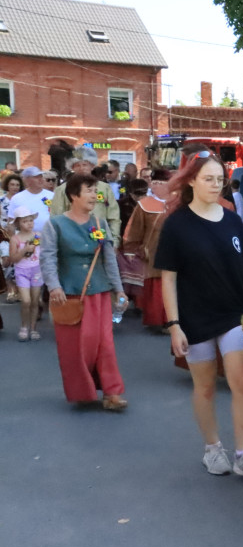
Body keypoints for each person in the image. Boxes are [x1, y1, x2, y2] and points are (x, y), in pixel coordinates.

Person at [155, 150, 243, 484]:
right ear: (191, 181)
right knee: (205, 387)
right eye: (208, 179)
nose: (215, 185)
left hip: (234, 315)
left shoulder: (233, 219)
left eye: (220, 180)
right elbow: (169, 278)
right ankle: (212, 448)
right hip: (194, 318)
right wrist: (174, 325)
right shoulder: (176, 225)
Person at [39, 173, 128, 410]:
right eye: (89, 190)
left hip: (99, 293)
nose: (94, 196)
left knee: (105, 344)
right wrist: (54, 286)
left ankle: (112, 393)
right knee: (76, 347)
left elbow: (109, 260)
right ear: (73, 195)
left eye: (95, 191)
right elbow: (47, 257)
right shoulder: (55, 224)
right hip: (69, 295)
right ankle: (82, 391)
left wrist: (119, 290)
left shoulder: (100, 224)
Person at [124, 170, 171, 329]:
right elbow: (135, 229)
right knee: (156, 286)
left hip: (175, 253)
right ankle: (158, 320)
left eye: (161, 183)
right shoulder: (144, 204)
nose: (157, 186)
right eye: (155, 182)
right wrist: (131, 248)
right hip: (151, 252)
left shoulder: (179, 203)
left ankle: (172, 320)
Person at [50, 158, 120, 247]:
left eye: (85, 165)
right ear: (72, 168)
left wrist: (114, 241)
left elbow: (114, 217)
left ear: (92, 166)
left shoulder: (104, 188)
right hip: (73, 242)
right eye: (77, 165)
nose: (81, 168)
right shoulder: (62, 190)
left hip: (101, 240)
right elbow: (56, 216)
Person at [9, 206, 43, 341]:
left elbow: (45, 252)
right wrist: (24, 251)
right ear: (18, 223)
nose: (29, 223)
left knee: (35, 301)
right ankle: (24, 326)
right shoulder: (15, 239)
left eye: (31, 220)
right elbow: (13, 259)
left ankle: (33, 328)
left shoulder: (38, 236)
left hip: (36, 270)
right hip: (22, 271)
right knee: (26, 301)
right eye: (25, 221)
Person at [8, 167, 53, 234]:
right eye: (36, 177)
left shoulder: (52, 196)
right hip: (26, 240)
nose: (41, 179)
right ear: (27, 180)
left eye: (41, 176)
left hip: (48, 237)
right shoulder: (17, 198)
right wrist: (14, 240)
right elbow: (11, 221)